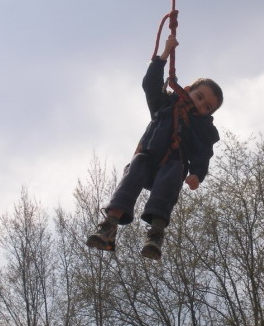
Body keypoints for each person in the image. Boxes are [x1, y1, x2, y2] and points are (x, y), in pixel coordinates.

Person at [86, 35, 223, 260]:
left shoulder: (202, 129)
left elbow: (203, 154)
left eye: (206, 107)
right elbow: (150, 84)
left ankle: (156, 233)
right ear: (187, 89)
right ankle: (109, 225)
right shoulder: (165, 105)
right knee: (135, 167)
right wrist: (164, 55)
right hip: (149, 157)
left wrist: (197, 174)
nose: (199, 105)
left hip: (172, 166)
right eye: (198, 97)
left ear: (209, 113)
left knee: (172, 175)